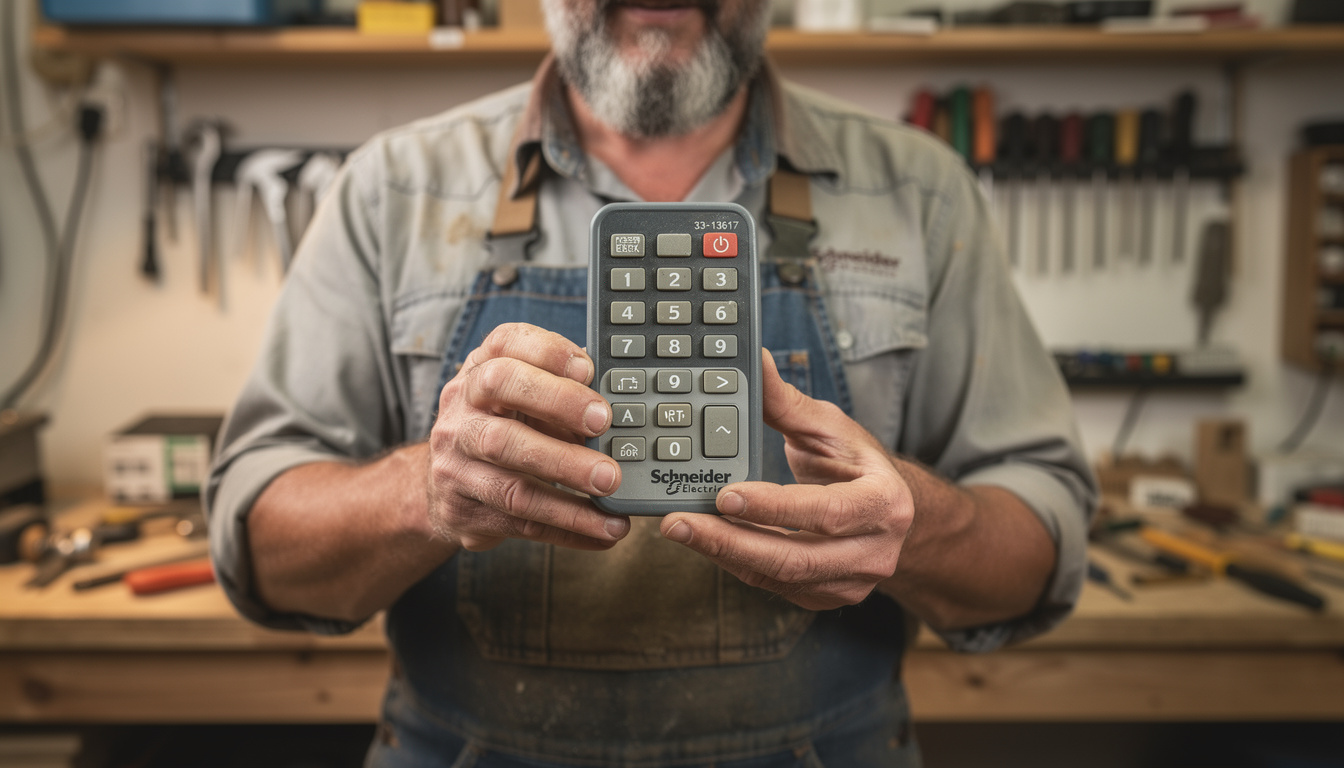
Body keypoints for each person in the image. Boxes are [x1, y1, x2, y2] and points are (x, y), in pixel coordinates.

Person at [205, 1, 1097, 765]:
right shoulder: (391, 191)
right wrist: (424, 494)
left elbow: (1041, 553)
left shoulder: (923, 192)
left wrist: (917, 527)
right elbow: (261, 551)